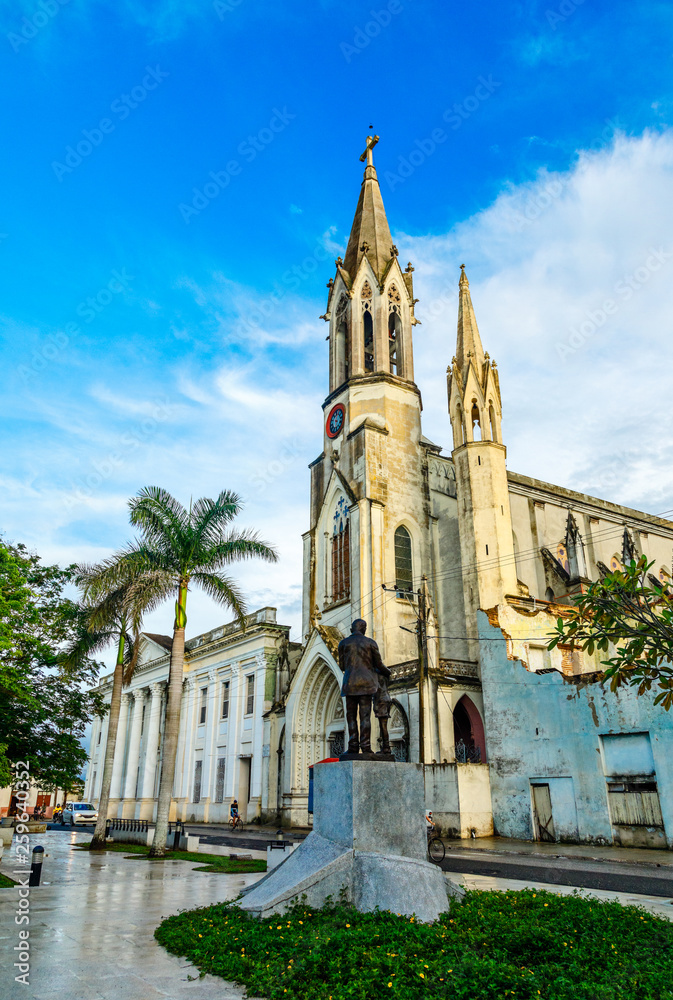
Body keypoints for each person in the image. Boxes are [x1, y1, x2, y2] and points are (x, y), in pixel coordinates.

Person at [338, 619, 391, 756]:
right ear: (364, 629)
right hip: (366, 685)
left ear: (352, 629)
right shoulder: (370, 643)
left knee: (351, 717)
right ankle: (366, 747)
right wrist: (388, 672)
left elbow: (342, 666)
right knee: (365, 717)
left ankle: (353, 746)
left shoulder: (343, 643)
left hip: (349, 684)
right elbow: (378, 664)